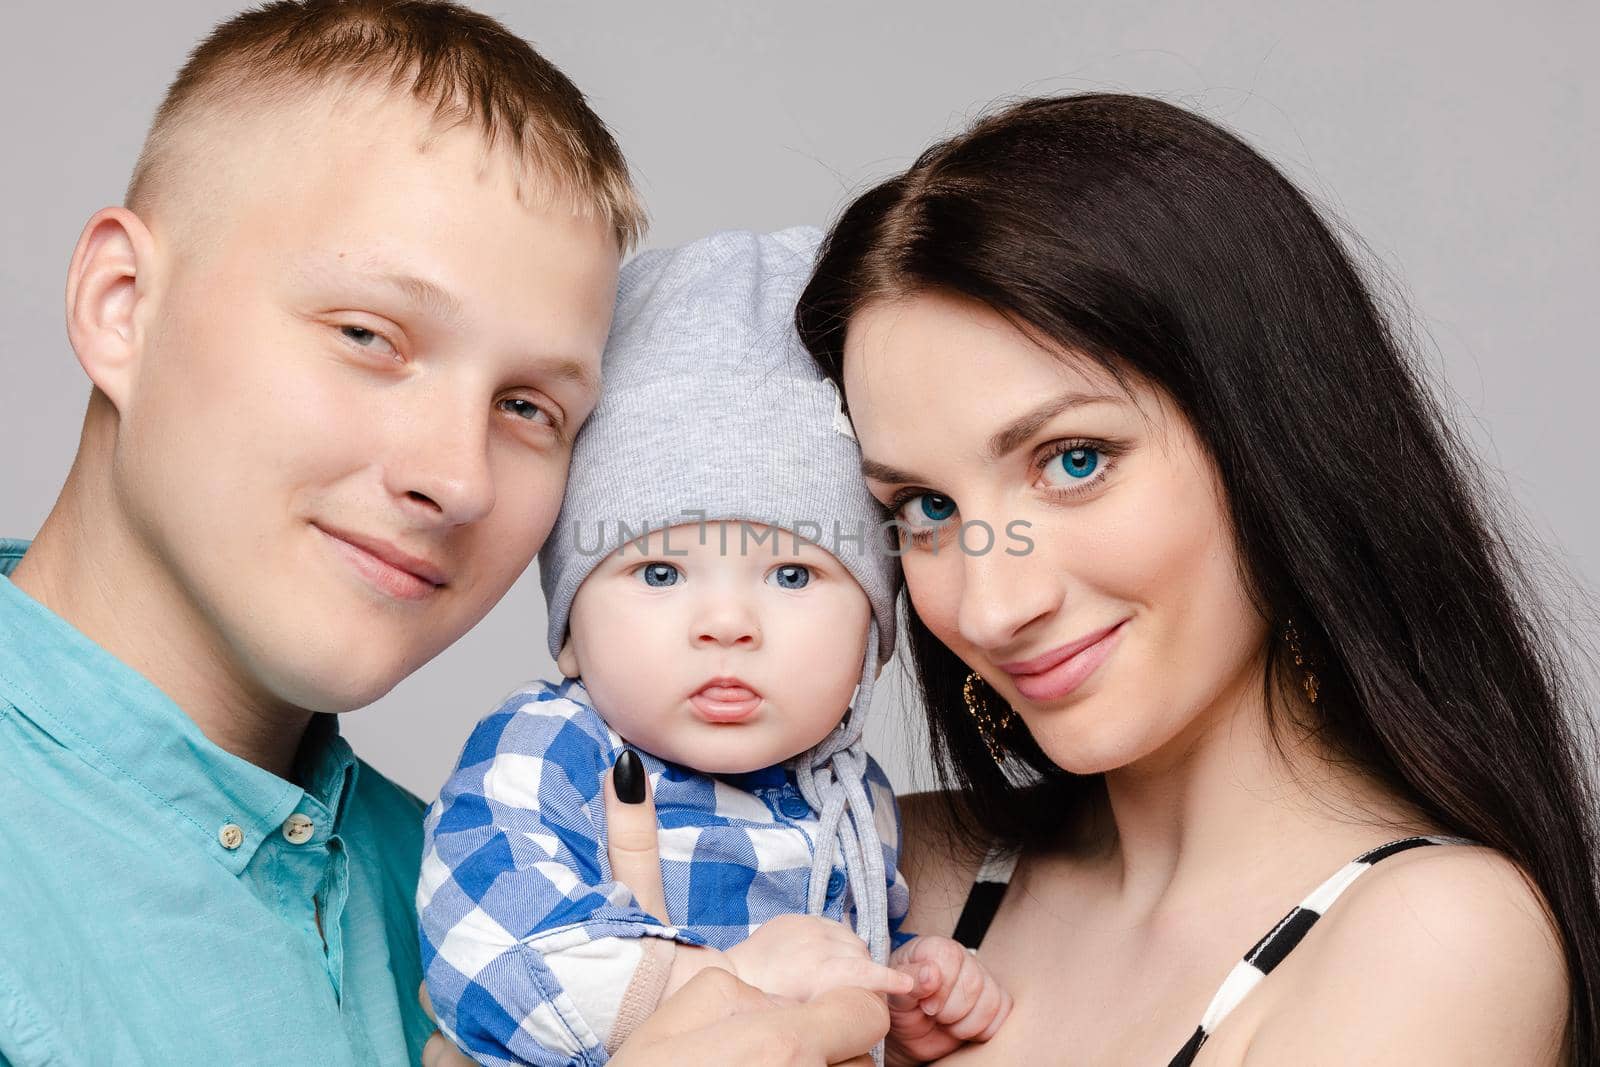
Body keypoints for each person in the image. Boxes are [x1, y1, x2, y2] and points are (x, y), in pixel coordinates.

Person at [613, 93, 1600, 1063]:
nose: (994, 605)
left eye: (1073, 459)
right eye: (925, 508)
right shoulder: (875, 874)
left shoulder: (1430, 938)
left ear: (1272, 444)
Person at [418, 228, 1009, 1066]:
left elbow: (832, 984)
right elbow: (487, 956)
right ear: (571, 631)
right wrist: (725, 978)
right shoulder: (549, 753)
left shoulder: (850, 797)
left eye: (795, 576)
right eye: (659, 573)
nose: (727, 623)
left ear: (874, 636)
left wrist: (900, 980)